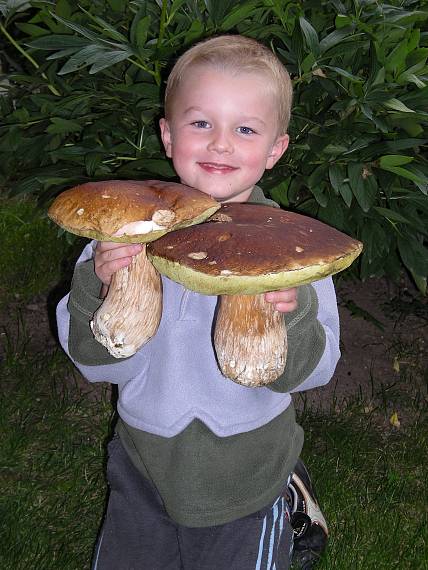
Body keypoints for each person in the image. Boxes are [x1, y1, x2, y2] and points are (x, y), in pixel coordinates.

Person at [57, 35, 340, 569]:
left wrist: (293, 309)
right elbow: (93, 363)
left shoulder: (294, 251)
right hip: (143, 460)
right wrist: (96, 283)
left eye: (245, 129)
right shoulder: (120, 237)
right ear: (168, 135)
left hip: (247, 469)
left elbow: (310, 374)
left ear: (275, 150)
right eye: (200, 123)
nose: (220, 145)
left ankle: (288, 496)